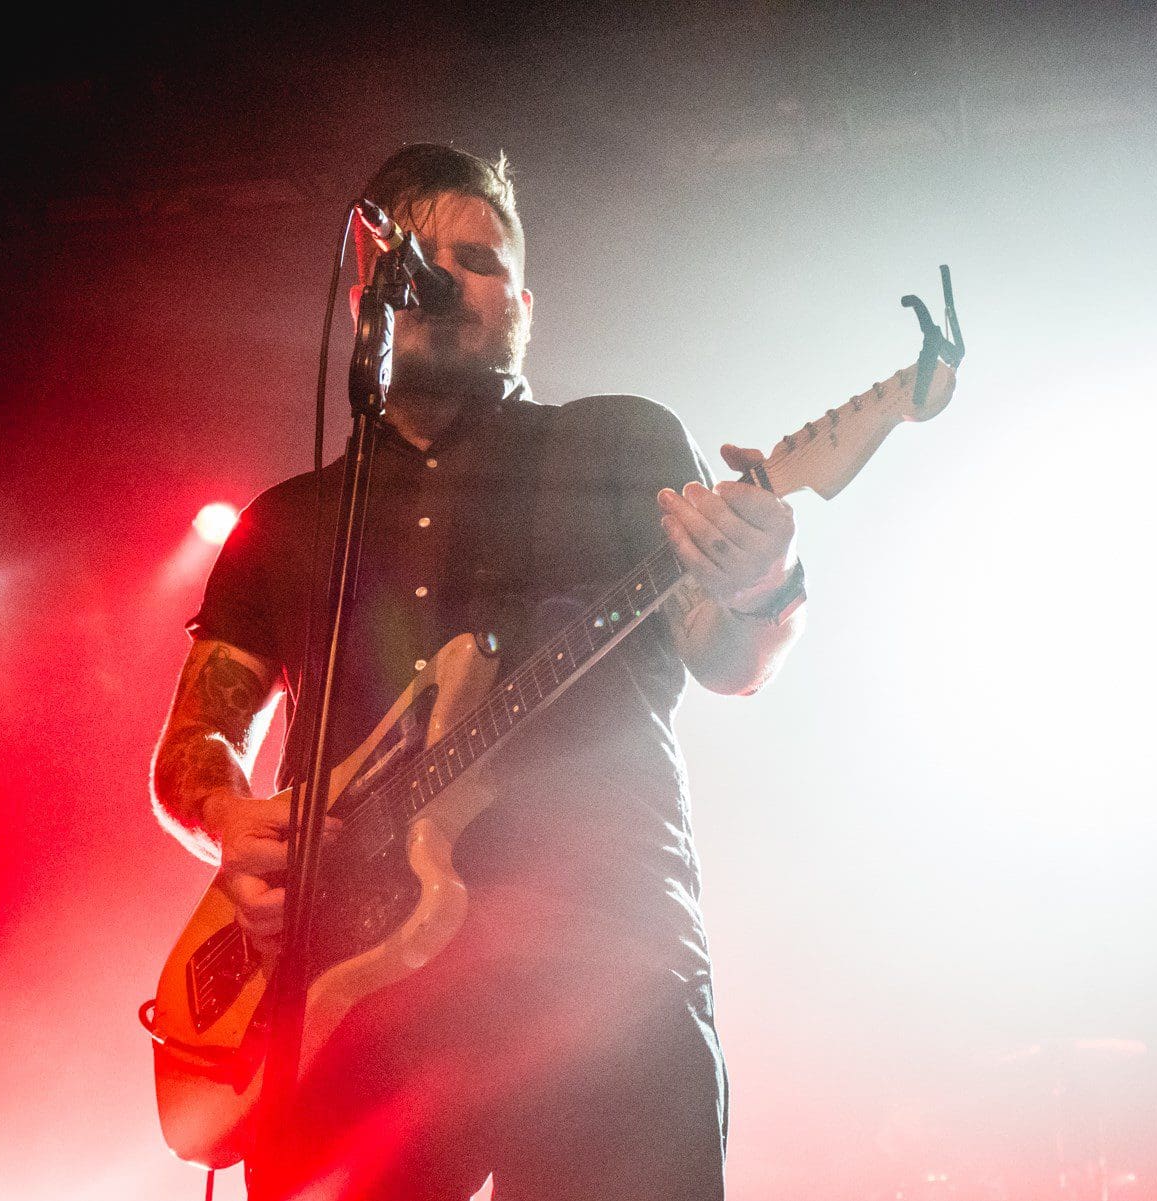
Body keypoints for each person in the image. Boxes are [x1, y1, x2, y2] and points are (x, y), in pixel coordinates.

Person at [150, 143, 806, 1201]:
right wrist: (233, 817)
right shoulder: (290, 521)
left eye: (481, 259)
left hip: (602, 977)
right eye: (419, 260)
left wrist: (762, 582)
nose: (448, 279)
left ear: (524, 306)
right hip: (353, 1011)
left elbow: (730, 661)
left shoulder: (620, 444)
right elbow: (194, 745)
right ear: (365, 302)